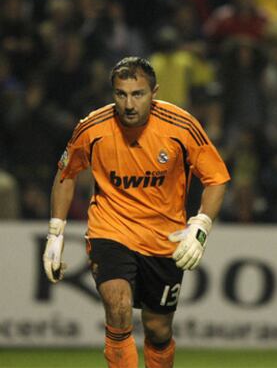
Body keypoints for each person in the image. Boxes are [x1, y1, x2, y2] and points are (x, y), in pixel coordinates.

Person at [42, 57, 230, 368]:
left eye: (138, 94)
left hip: (163, 240)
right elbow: (66, 174)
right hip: (110, 231)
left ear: (154, 93)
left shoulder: (181, 126)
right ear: (112, 93)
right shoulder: (92, 128)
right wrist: (55, 234)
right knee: (118, 307)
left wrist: (201, 227)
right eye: (121, 94)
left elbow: (217, 179)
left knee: (158, 330)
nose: (129, 104)